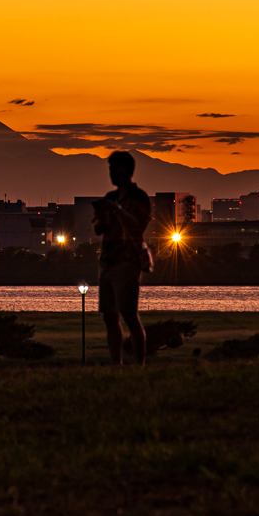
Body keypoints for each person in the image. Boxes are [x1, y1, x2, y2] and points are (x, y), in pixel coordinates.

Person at [93, 150, 152, 366]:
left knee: (129, 315)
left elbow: (138, 225)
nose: (111, 173)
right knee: (109, 316)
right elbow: (99, 230)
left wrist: (116, 211)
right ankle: (116, 364)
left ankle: (139, 365)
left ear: (127, 170)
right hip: (108, 260)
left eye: (115, 168)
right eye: (110, 168)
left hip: (128, 261)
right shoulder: (110, 198)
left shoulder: (139, 197)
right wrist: (103, 216)